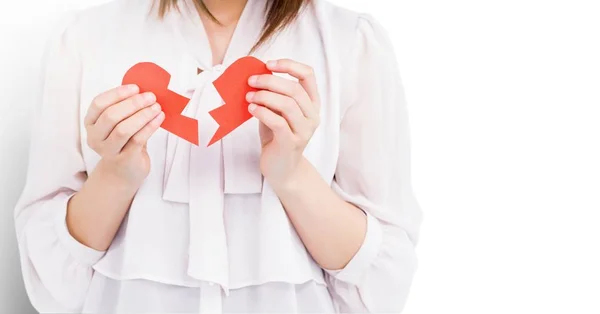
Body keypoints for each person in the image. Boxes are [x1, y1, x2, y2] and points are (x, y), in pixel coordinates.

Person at [14, 0, 422, 312]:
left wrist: (291, 174)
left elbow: (381, 286)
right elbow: (53, 285)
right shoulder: (87, 37)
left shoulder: (349, 42)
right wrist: (116, 175)